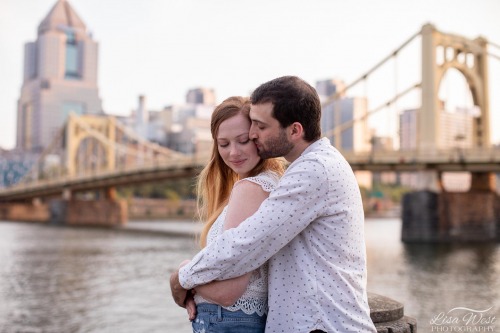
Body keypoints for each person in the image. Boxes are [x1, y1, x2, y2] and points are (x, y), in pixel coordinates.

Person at [170, 76, 377, 332]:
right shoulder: (304, 170)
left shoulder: (315, 171)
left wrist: (182, 276)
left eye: (260, 126)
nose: (253, 133)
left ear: (294, 130)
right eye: (224, 144)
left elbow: (244, 242)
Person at [178, 96, 284, 332]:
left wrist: (183, 272)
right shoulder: (270, 183)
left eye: (243, 140)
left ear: (258, 136)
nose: (233, 152)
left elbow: (228, 292)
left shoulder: (250, 189)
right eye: (223, 144)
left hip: (227, 320)